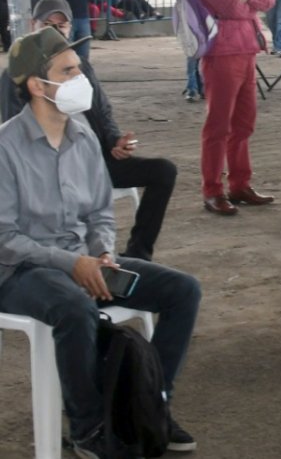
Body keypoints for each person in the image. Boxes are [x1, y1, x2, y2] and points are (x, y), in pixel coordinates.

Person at [0, 27, 201, 458]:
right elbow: (5, 239)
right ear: (37, 85)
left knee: (183, 290)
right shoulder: (5, 146)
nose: (81, 77)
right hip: (21, 271)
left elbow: (99, 213)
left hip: (83, 260)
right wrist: (72, 264)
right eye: (68, 71)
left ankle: (151, 406)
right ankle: (89, 427)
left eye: (79, 69)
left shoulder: (84, 136)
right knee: (73, 306)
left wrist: (103, 251)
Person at [0, 0, 179, 261]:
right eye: (47, 25)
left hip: (92, 156)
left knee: (163, 171)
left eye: (60, 25)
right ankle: (71, 259)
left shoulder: (83, 68)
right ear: (32, 25)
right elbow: (17, 125)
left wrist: (114, 140)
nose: (55, 31)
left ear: (70, 28)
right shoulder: (19, 76)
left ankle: (137, 255)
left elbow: (102, 112)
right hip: (50, 166)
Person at [193, 0, 276, 216]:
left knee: (244, 123)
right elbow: (229, 7)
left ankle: (240, 184)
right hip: (223, 55)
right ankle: (212, 190)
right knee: (218, 125)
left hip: (247, 52)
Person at [180, 0, 211, 103]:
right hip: (192, 12)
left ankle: (203, 87)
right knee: (192, 52)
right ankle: (192, 88)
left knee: (206, 52)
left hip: (208, 13)